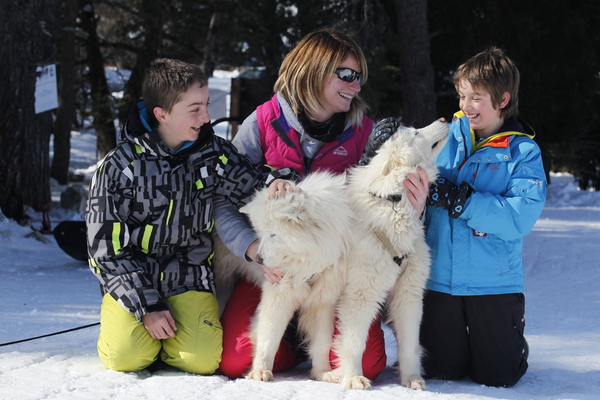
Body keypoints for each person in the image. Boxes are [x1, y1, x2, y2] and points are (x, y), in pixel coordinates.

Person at [215, 26, 430, 380]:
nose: (356, 85)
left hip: (338, 273)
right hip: (276, 270)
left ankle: (308, 339)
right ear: (313, 70)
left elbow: (385, 207)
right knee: (238, 360)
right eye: (346, 74)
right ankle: (294, 338)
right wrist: (253, 249)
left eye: (359, 77)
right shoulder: (264, 122)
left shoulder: (365, 133)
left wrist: (414, 208)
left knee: (366, 365)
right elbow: (224, 198)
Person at [86, 58, 295, 375]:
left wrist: (275, 183)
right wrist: (148, 307)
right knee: (126, 357)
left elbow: (248, 180)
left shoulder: (214, 153)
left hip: (188, 273)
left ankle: (167, 341)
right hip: (135, 277)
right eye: (195, 109)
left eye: (207, 105)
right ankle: (135, 331)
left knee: (201, 360)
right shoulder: (120, 166)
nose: (207, 117)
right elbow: (106, 250)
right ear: (162, 114)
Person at [420, 47, 547, 387]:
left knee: (499, 377)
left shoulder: (522, 151)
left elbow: (520, 216)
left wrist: (464, 202)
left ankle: (509, 346)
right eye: (462, 96)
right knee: (441, 371)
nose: (465, 105)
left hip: (493, 282)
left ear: (503, 99)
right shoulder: (445, 138)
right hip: (440, 280)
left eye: (476, 98)